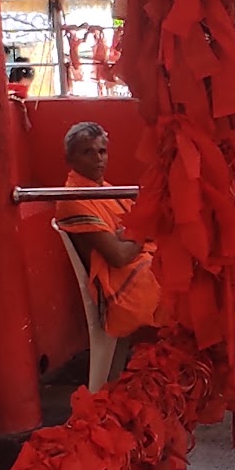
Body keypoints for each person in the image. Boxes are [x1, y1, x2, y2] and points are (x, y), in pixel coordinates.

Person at [55, 121, 160, 337]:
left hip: (140, 269)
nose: (98, 159)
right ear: (70, 160)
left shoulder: (104, 189)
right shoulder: (73, 198)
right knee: (190, 288)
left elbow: (131, 231)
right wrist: (142, 232)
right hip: (123, 292)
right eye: (88, 152)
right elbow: (119, 256)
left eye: (102, 151)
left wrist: (136, 233)